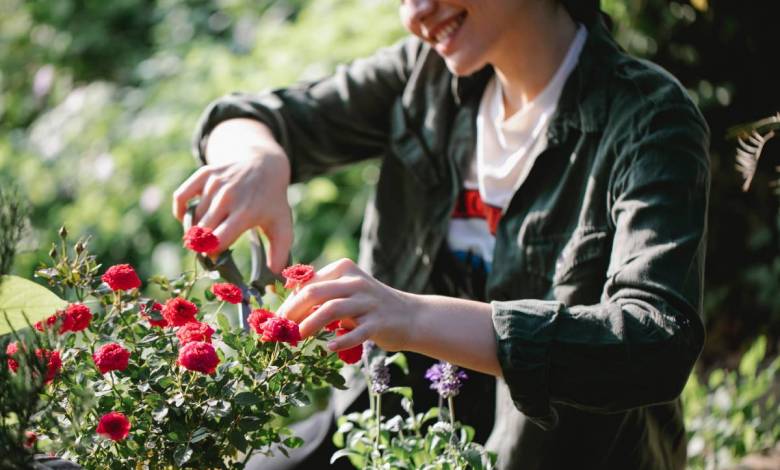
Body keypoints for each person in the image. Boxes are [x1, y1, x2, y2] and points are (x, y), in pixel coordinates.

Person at [173, 0, 710, 468]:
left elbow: (653, 341)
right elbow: (252, 117)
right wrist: (257, 160)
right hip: (384, 432)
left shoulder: (647, 118)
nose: (414, 15)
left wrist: (411, 316)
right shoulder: (423, 76)